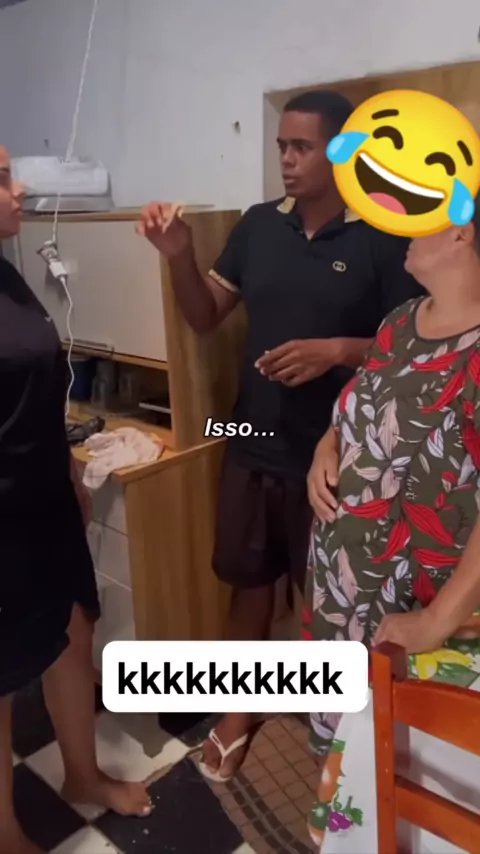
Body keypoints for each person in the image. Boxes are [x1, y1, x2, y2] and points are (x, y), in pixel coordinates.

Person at [138, 90, 423, 782]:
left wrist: (337, 351)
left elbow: (414, 346)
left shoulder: (384, 235)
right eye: (281, 148)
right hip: (253, 440)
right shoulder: (259, 225)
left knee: (331, 605)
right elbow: (205, 315)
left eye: (302, 147)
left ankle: (339, 734)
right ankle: (240, 708)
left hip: (341, 458)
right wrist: (178, 256)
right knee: (248, 585)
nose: (287, 161)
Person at [0, 146, 152, 854]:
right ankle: (5, 832)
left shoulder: (7, 272)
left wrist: (66, 471)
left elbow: (34, 394)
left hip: (44, 498)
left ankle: (83, 776)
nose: (19, 188)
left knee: (73, 628)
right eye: (3, 177)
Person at [306, 195, 480, 761]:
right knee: (344, 758)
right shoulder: (399, 322)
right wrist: (327, 445)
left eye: (424, 216)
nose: (405, 225)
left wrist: (435, 621)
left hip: (414, 600)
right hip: (344, 580)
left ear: (462, 233)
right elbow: (356, 408)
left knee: (398, 763)